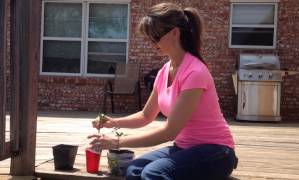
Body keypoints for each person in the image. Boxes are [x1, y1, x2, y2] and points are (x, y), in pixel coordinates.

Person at [88, 2, 237, 180]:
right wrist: (112, 122)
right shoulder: (164, 71)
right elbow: (145, 116)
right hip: (184, 148)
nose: (152, 43)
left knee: (154, 173)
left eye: (156, 37)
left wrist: (115, 142)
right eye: (150, 38)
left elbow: (169, 132)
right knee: (134, 170)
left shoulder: (195, 72)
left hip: (217, 152)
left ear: (175, 32)